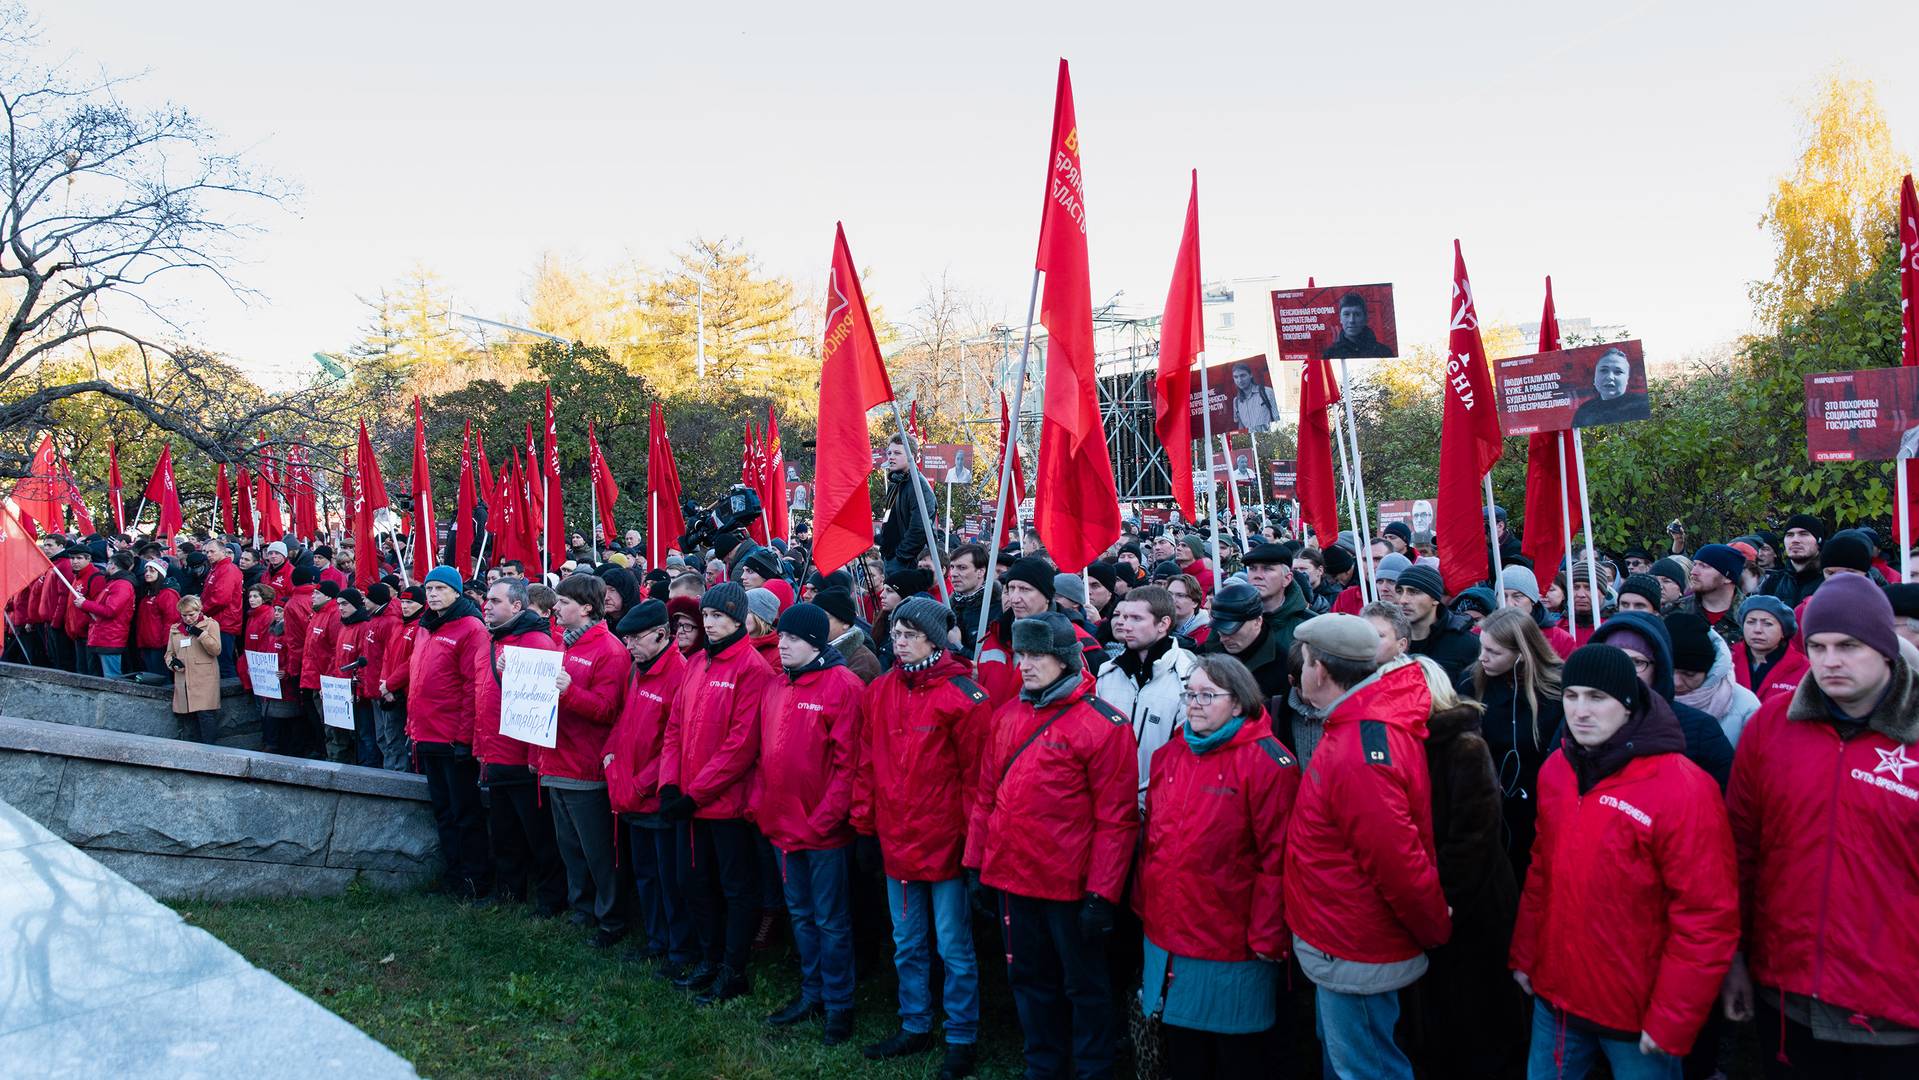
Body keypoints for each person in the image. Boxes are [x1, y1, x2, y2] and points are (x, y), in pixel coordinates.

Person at [1509, 644, 1739, 1079]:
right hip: (1557, 994)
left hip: (1637, 1010)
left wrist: (1674, 1014)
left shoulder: (1682, 787)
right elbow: (1542, 871)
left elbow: (1705, 915)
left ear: (1628, 704)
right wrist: (1526, 954)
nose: (1580, 711)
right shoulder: (1558, 768)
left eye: (1597, 698)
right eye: (1572, 695)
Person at [1722, 574, 1919, 1077]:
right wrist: (1737, 957)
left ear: (1886, 649)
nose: (1830, 660)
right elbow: (1741, 850)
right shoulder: (1770, 725)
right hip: (1787, 1000)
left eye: (1849, 646)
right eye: (1817, 646)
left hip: (1896, 1013)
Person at [967, 613, 1139, 1080]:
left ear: (1065, 660)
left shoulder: (1104, 725)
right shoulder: (1007, 716)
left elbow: (1116, 820)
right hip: (1012, 879)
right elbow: (986, 798)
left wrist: (1102, 895)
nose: (1025, 664)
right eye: (1022, 654)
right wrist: (976, 865)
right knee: (1029, 979)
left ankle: (1092, 1068)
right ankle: (1042, 1064)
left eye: (1037, 655)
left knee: (1084, 987)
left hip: (1070, 886)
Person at [1283, 614, 1449, 1080]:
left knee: (1364, 1066)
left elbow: (1397, 860)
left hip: (1354, 942)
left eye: (1306, 661)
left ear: (1320, 671)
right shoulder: (1358, 726)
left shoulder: (1359, 750)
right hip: (1343, 936)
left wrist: (1432, 927)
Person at [1135, 653, 1299, 1078]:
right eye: (1190, 693)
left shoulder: (1267, 763)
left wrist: (1267, 934)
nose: (1194, 703)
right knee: (1183, 1047)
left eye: (1208, 695)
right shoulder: (1171, 753)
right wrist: (1145, 902)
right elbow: (1153, 837)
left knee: (1232, 1053)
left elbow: (1276, 859)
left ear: (1239, 702)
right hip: (1169, 926)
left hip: (1230, 935)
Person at [852, 597, 990, 1078]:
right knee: (907, 942)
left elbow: (977, 783)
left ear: (934, 638)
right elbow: (866, 763)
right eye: (895, 632)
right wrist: (865, 828)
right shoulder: (882, 690)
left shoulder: (963, 696)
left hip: (947, 847)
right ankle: (914, 1023)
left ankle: (961, 1035)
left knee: (953, 947)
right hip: (897, 841)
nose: (899, 641)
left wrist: (974, 853)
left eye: (910, 634)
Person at [659, 582, 777, 1004]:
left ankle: (733, 969)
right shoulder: (696, 664)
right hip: (689, 800)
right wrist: (669, 782)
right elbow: (675, 727)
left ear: (739, 618)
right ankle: (709, 959)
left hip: (725, 805)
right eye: (706, 616)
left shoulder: (752, 669)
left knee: (734, 888)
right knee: (693, 883)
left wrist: (695, 793)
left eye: (718, 617)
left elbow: (740, 746)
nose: (708, 624)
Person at [752, 602, 865, 1042]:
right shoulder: (778, 686)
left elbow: (847, 765)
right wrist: (765, 807)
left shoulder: (844, 687)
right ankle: (812, 991)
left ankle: (839, 1003)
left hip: (822, 831)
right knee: (800, 915)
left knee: (831, 920)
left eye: (793, 639)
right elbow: (767, 754)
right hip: (782, 826)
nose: (782, 644)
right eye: (781, 637)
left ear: (816, 644)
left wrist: (825, 820)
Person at [1406, 656, 1523, 1079]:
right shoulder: (1408, 742)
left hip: (1471, 906)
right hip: (1433, 903)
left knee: (1477, 1017)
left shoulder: (1463, 746)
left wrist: (1438, 899)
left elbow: (1474, 835)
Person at [603, 599, 694, 973]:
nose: (629, 647)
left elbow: (677, 743)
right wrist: (611, 754)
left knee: (669, 881)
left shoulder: (679, 674)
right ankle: (656, 940)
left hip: (655, 798)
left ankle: (679, 949)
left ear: (660, 634)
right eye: (626, 639)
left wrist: (641, 784)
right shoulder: (639, 669)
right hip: (633, 795)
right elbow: (626, 721)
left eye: (635, 639)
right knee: (646, 875)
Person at [542, 573, 631, 947]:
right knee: (571, 847)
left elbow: (608, 709)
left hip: (585, 766)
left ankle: (611, 919)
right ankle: (583, 908)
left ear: (587, 608)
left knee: (597, 851)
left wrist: (570, 692)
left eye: (563, 602)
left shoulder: (609, 651)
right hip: (557, 761)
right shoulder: (564, 644)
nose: (556, 608)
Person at [474, 578, 566, 917]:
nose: (487, 604)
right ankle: (510, 892)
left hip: (523, 761)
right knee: (504, 833)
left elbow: (543, 706)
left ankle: (550, 900)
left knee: (538, 835)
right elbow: (482, 694)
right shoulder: (491, 640)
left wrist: (533, 757)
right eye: (486, 599)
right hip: (495, 753)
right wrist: (480, 745)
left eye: (495, 600)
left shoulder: (537, 642)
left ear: (517, 606)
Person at [1461, 608, 1566, 886]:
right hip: (1484, 813)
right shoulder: (1471, 682)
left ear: (1522, 652)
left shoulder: (1556, 692)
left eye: (1493, 652)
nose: (1482, 656)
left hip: (1535, 813)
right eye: (1482, 647)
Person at [408, 565, 494, 899]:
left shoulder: (470, 628)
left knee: (464, 813)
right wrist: (411, 726)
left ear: (456, 592)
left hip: (452, 738)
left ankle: (475, 878)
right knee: (443, 812)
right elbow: (418, 679)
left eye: (440, 589)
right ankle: (454, 873)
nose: (432, 595)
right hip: (426, 734)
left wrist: (463, 737)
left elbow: (473, 686)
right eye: (429, 589)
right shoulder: (426, 625)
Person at [1587, 611, 1736, 788]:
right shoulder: (1579, 716)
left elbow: (1724, 800)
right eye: (1613, 659)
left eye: (1637, 663)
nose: (1623, 671)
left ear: (1658, 668)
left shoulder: (1700, 730)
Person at [1093, 585, 1195, 805]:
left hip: (1162, 805)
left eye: (1136, 618)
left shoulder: (1188, 680)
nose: (1124, 624)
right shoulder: (1107, 674)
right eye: (1123, 616)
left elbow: (1187, 755)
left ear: (1163, 624)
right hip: (1109, 803)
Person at [1665, 611, 1760, 747]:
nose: (1677, 682)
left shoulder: (1746, 706)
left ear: (1710, 671)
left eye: (1689, 674)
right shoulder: (1642, 697)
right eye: (1669, 671)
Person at [1200, 583, 1289, 698]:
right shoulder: (1204, 655)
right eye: (1220, 630)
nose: (1223, 638)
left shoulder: (1282, 666)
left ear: (1257, 621)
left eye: (1232, 630)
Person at [1397, 565, 1480, 681]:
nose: (1403, 600)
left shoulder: (1466, 644)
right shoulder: (1390, 641)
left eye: (1414, 592)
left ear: (1435, 599)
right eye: (1399, 591)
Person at [375, 584, 424, 771]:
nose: (405, 606)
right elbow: (387, 656)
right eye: (403, 602)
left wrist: (390, 684)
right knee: (390, 738)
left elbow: (412, 662)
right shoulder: (398, 625)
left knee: (401, 741)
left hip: (404, 692)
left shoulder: (420, 627)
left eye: (410, 602)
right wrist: (384, 684)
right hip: (390, 690)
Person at [164, 594, 224, 744]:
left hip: (204, 678)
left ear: (199, 611)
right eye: (184, 615)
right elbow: (169, 654)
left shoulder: (211, 624)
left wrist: (201, 634)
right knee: (189, 717)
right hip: (183, 678)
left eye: (191, 615)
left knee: (205, 715)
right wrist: (173, 663)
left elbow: (216, 650)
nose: (188, 619)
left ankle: (210, 750)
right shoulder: (175, 629)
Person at [1730, 595, 1807, 705]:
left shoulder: (1803, 669)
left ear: (1783, 631)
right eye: (1751, 622)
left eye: (1767, 623)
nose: (1757, 630)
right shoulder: (1727, 662)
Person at [1242, 542, 1313, 658]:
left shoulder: (1309, 625)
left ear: (1287, 578)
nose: (1258, 575)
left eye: (1267, 569)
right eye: (1252, 568)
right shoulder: (1232, 617)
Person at [1666, 543, 1746, 647]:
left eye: (1704, 566)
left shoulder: (1751, 616)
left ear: (1728, 577)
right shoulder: (1674, 612)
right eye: (1695, 564)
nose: (1694, 572)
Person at [77, 550, 137, 678]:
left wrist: (85, 604)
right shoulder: (114, 582)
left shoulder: (122, 585)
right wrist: (84, 605)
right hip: (104, 635)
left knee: (112, 677)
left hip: (110, 637)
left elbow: (110, 611)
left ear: (113, 565)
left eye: (109, 563)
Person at [878, 434, 933, 575]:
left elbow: (919, 529)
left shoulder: (918, 486)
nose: (891, 457)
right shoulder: (895, 484)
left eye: (897, 453)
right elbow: (890, 521)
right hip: (891, 558)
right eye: (889, 453)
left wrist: (900, 557)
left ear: (912, 456)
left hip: (906, 563)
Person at [1502, 565, 1577, 658]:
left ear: (1533, 599)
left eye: (1518, 596)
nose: (1509, 603)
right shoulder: (1483, 634)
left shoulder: (1560, 639)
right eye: (1503, 596)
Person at [1571, 347, 1650, 427]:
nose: (1610, 377)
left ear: (1627, 378)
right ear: (1595, 376)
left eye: (1618, 372)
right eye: (1604, 370)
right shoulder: (1585, 410)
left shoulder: (1641, 405)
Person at [200, 537, 245, 678]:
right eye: (207, 552)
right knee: (219, 662)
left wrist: (201, 611)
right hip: (218, 621)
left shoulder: (227, 569)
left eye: (212, 551)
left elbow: (221, 599)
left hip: (225, 623)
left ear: (223, 552)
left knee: (224, 663)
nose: (209, 555)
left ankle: (233, 697)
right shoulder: (216, 569)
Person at [1760, 513, 1825, 607]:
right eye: (1790, 535)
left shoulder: (1830, 580)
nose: (1795, 540)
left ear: (1819, 541)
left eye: (1803, 534)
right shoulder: (1774, 582)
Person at [133, 559, 181, 677]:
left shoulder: (168, 594)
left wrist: (167, 645)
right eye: (146, 570)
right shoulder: (149, 593)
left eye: (152, 571)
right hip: (147, 642)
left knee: (160, 676)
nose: (147, 573)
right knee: (152, 676)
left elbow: (172, 620)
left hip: (159, 645)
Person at [1321, 291, 1394, 360]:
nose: (1351, 320)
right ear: (1340, 318)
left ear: (1366, 318)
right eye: (1346, 314)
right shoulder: (1330, 354)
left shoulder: (1383, 352)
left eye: (1357, 314)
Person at [1229, 362, 1280, 430]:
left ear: (1251, 375)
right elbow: (1241, 426)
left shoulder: (1267, 392)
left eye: (1243, 375)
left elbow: (1277, 418)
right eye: (1236, 377)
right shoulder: (1236, 401)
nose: (1240, 380)